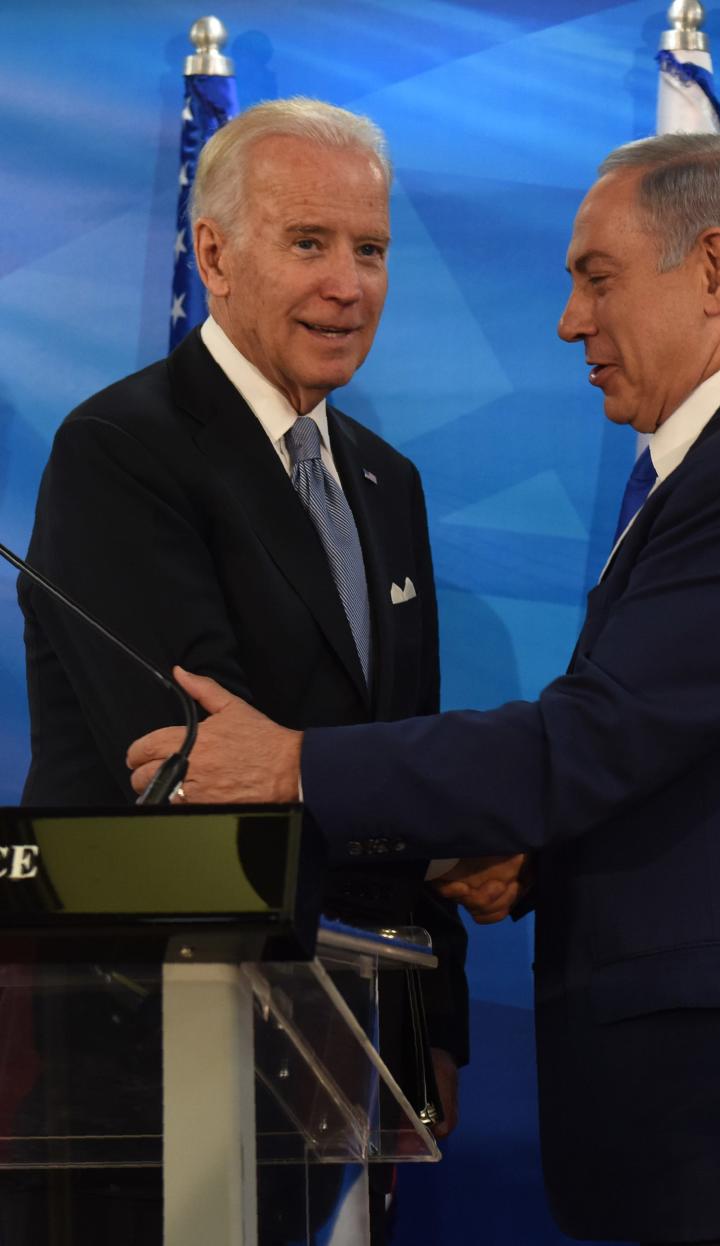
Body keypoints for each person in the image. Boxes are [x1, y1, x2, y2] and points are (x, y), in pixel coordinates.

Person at [129, 133, 720, 1245]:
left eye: (596, 277)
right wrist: (535, 853)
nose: (571, 319)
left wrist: (290, 763)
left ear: (714, 268)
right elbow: (696, 760)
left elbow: (591, 738)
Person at [17, 98, 467, 1243]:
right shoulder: (122, 449)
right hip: (151, 1049)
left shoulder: (386, 479)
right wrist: (435, 802)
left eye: (370, 250)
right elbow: (199, 758)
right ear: (211, 254)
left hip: (347, 1043)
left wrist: (435, 1022)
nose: (349, 284)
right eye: (308, 243)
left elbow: (393, 730)